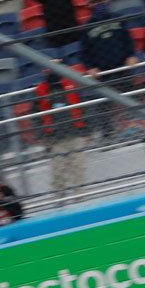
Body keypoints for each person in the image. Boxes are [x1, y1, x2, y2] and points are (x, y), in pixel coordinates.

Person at [80, 0, 138, 136]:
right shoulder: (87, 27)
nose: (99, 3)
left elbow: (128, 39)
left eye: (100, 0)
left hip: (122, 66)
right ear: (90, 5)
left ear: (105, 0)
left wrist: (131, 55)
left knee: (130, 96)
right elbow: (84, 52)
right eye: (95, 1)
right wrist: (90, 67)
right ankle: (108, 134)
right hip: (103, 72)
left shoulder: (117, 18)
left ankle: (136, 126)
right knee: (104, 104)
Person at [34, 66, 89, 194]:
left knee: (79, 169)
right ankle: (60, 199)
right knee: (58, 172)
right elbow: (35, 115)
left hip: (75, 133)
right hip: (56, 138)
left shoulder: (71, 83)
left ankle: (80, 197)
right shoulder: (40, 90)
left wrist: (86, 129)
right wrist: (42, 135)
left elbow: (83, 105)